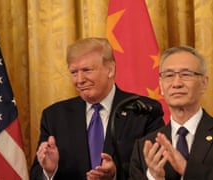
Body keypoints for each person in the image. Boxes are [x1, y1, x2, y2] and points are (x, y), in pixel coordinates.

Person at [30, 37, 165, 180]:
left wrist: (115, 175)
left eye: (87, 70)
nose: (79, 80)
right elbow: (36, 175)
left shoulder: (143, 112)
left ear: (110, 70)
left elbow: (157, 171)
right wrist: (50, 172)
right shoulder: (55, 117)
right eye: (74, 72)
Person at [129, 46, 213, 180]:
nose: (176, 83)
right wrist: (154, 177)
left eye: (185, 74)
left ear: (203, 83)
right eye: (169, 75)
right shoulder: (146, 146)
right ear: (161, 86)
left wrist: (187, 169)